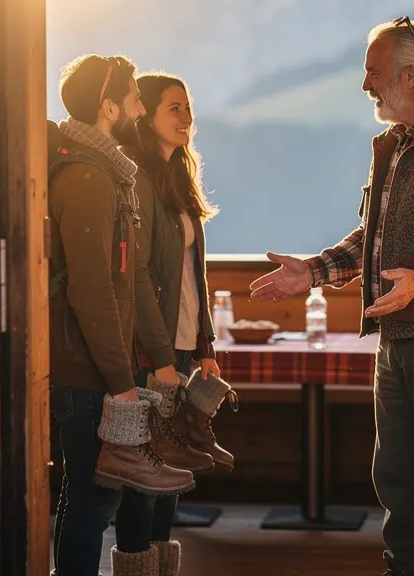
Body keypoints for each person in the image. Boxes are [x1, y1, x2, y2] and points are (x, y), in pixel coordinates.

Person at [249, 18, 414, 576]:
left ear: (412, 75)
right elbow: (374, 238)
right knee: (397, 478)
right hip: (399, 336)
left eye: (373, 72)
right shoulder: (395, 145)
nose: (366, 84)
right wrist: (315, 271)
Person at [47, 54, 194, 576]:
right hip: (85, 373)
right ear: (108, 107)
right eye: (133, 96)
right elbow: (91, 292)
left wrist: (159, 359)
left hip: (108, 370)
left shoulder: (113, 177)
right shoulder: (87, 180)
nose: (138, 105)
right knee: (91, 502)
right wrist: (122, 383)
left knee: (97, 499)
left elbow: (132, 284)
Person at [111, 72, 238, 576]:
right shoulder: (137, 180)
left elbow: (194, 275)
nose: (186, 117)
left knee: (172, 470)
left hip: (184, 347)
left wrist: (205, 344)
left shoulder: (179, 178)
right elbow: (137, 276)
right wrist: (160, 356)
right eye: (173, 108)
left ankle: (162, 569)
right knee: (143, 477)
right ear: (146, 117)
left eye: (188, 107)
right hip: (151, 351)